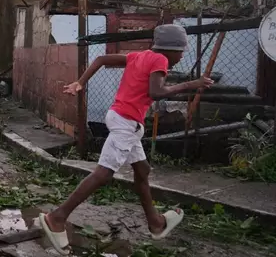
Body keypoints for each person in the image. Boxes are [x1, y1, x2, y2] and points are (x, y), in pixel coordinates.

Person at [39, 24, 214, 253]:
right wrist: (192, 84)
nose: (182, 56)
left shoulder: (139, 56)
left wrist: (80, 82)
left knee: (142, 171)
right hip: (126, 123)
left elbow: (101, 59)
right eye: (180, 51)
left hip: (121, 117)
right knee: (104, 173)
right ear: (169, 49)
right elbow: (156, 93)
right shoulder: (160, 60)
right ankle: (57, 217)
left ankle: (156, 223)